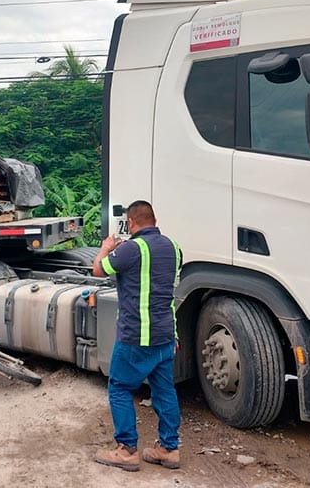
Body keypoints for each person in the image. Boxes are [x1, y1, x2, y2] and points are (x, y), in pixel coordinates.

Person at [92, 200, 182, 471]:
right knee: (164, 390)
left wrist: (106, 249)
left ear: (131, 223)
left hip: (136, 337)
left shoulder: (132, 248)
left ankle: (127, 450)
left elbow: (99, 269)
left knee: (119, 387)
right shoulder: (174, 248)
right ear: (153, 220)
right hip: (166, 336)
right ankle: (169, 448)